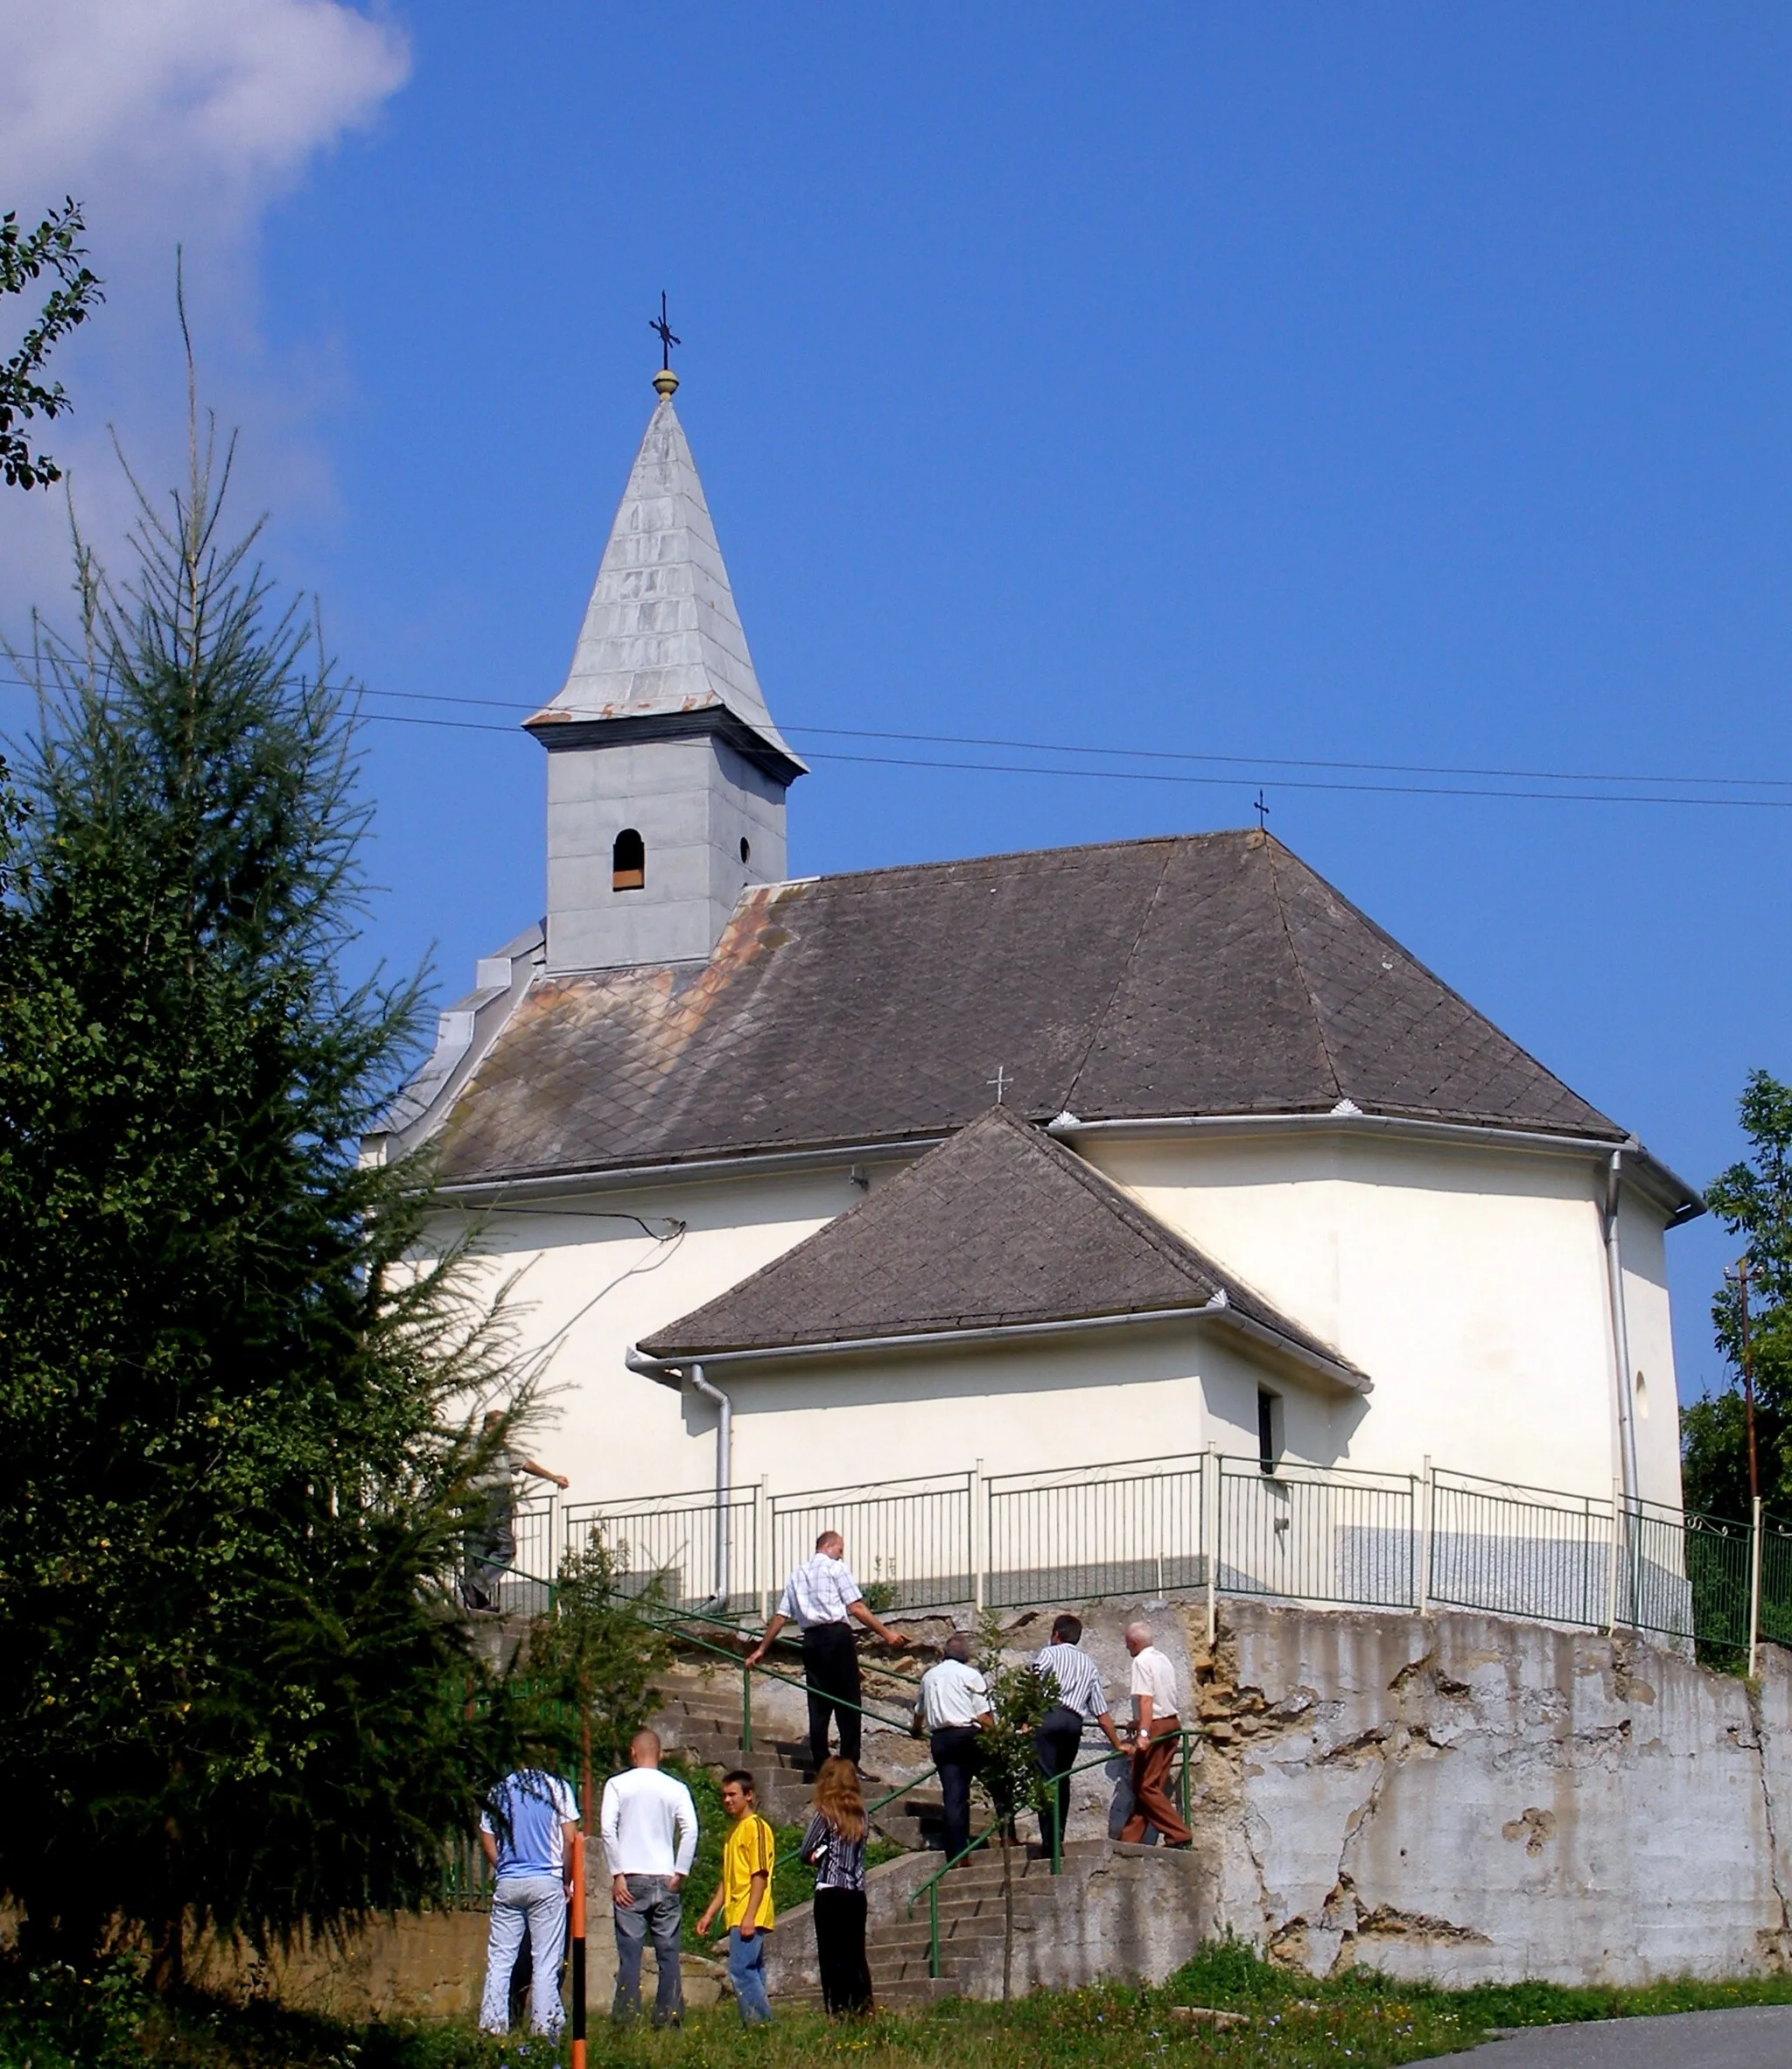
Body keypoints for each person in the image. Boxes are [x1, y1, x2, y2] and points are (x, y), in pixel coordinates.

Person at [745, 1530, 907, 1771]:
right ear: (829, 1546)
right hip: (837, 1636)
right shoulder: (835, 1569)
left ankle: (820, 1762)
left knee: (819, 1702)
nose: (841, 1556)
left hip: (811, 1640)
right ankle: (850, 1764)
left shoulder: (796, 1574)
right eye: (840, 1550)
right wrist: (887, 1635)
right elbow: (856, 1607)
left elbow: (781, 1616)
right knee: (848, 1701)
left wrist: (761, 1649)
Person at [600, 1728, 698, 2027]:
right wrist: (680, 1871)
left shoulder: (617, 1785)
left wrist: (617, 1873)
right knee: (668, 1953)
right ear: (660, 1754)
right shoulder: (676, 1788)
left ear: (632, 1751)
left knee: (630, 1954)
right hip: (665, 1876)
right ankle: (668, 2018)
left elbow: (607, 1830)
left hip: (631, 1877)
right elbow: (691, 1830)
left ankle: (626, 2018)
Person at [476, 1759, 580, 2039]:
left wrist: (503, 1867)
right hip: (546, 1880)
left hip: (509, 1881)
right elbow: (570, 1839)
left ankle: (492, 2026)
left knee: (500, 1959)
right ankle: (545, 2029)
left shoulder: (498, 1790)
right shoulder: (557, 1787)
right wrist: (565, 1880)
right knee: (546, 1961)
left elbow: (486, 1836)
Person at [1033, 1612, 1125, 1859]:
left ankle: (1049, 1844)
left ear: (1055, 1635)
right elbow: (1101, 1711)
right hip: (1073, 1723)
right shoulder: (1089, 1664)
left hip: (1049, 1716)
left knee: (1045, 1779)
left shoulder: (1050, 1653)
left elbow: (1033, 1679)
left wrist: (1024, 1717)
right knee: (1063, 1780)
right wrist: (1117, 1743)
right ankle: (1058, 1839)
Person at [463, 1408, 570, 1611]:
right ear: (488, 1427)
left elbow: (524, 1463)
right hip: (486, 1501)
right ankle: (475, 1591)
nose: (506, 1431)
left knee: (496, 1549)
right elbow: (457, 1469)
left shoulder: (501, 1449)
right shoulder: (476, 1445)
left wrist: (552, 1477)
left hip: (499, 1503)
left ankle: (476, 1592)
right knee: (492, 1549)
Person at [696, 1769, 776, 2026]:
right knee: (753, 1971)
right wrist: (710, 1913)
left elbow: (760, 1875)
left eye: (733, 1794)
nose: (728, 1800)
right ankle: (757, 2026)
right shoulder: (733, 1833)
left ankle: (761, 2024)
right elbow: (728, 1880)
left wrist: (750, 1915)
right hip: (736, 1913)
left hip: (750, 1913)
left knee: (740, 1971)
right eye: (724, 1795)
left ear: (749, 1795)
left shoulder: (756, 1828)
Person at [801, 1757, 874, 2017]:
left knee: (831, 1956)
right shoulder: (863, 1815)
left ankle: (837, 2010)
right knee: (855, 1954)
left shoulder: (825, 1813)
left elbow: (806, 1850)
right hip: (856, 1891)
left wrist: (818, 1856)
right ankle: (862, 2007)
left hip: (830, 1888)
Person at [912, 1631, 992, 1864]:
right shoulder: (971, 1675)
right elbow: (984, 1716)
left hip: (941, 1740)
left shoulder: (929, 1677)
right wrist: (997, 1740)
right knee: (998, 1784)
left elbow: (919, 1712)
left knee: (954, 1797)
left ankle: (958, 1854)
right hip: (968, 1736)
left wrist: (916, 1730)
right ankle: (1009, 1835)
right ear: (966, 1657)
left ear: (943, 1654)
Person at [1118, 1620, 1193, 1848]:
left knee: (1144, 1786)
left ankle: (1178, 1833)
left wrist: (1143, 1732)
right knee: (1151, 1787)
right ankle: (1129, 1841)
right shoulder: (1163, 1659)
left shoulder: (1141, 1661)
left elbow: (1147, 1698)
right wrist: (1140, 1721)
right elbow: (1162, 1697)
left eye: (1127, 1643)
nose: (1127, 1648)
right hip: (1172, 1723)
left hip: (1157, 1726)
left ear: (1134, 1642)